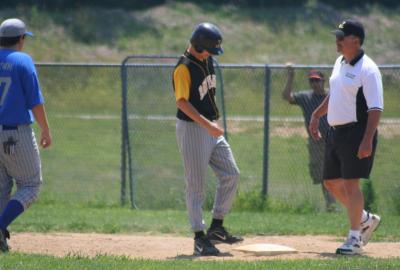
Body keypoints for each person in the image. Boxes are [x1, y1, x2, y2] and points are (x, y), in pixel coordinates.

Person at [309, 19, 382, 255]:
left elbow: (375, 109)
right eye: (337, 36)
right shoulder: (340, 62)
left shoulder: (368, 69)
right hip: (336, 132)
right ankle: (364, 219)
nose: (337, 41)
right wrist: (317, 114)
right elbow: (335, 93)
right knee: (331, 182)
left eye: (342, 37)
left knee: (351, 184)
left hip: (357, 131)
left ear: (356, 41)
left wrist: (367, 139)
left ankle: (355, 239)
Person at [173, 22, 242, 256]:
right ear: (199, 46)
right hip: (193, 129)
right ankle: (199, 238)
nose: (213, 54)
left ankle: (216, 227)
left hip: (211, 128)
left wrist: (213, 124)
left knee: (231, 174)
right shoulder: (183, 68)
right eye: (211, 49)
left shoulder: (207, 60)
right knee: (196, 185)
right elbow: (182, 102)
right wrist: (207, 125)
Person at [0, 18, 52, 252]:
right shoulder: (23, 60)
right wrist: (45, 129)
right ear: (21, 39)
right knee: (31, 185)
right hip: (15, 134)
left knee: (1, 188)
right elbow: (35, 100)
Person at [282, 67, 336, 211]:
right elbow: (286, 96)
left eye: (317, 80)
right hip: (316, 142)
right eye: (311, 81)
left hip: (334, 141)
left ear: (323, 81)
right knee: (322, 175)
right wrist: (290, 76)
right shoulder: (307, 97)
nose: (314, 83)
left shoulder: (332, 96)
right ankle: (331, 205)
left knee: (335, 175)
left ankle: (338, 204)